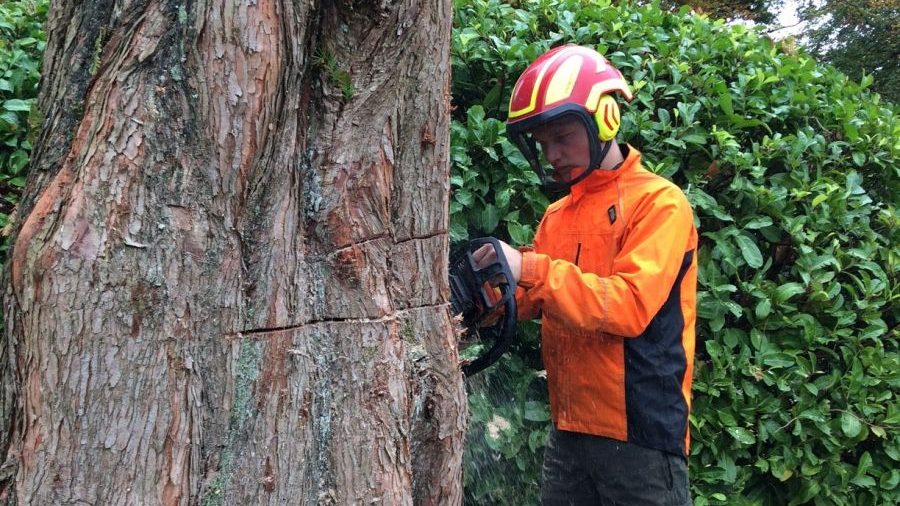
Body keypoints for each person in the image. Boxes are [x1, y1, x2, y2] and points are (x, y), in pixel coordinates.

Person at [473, 44, 698, 505]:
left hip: (641, 436)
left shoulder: (659, 204)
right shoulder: (558, 215)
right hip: (569, 431)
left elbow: (630, 306)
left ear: (604, 119)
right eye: (542, 144)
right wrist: (491, 295)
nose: (553, 154)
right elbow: (537, 295)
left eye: (562, 137)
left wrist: (528, 265)